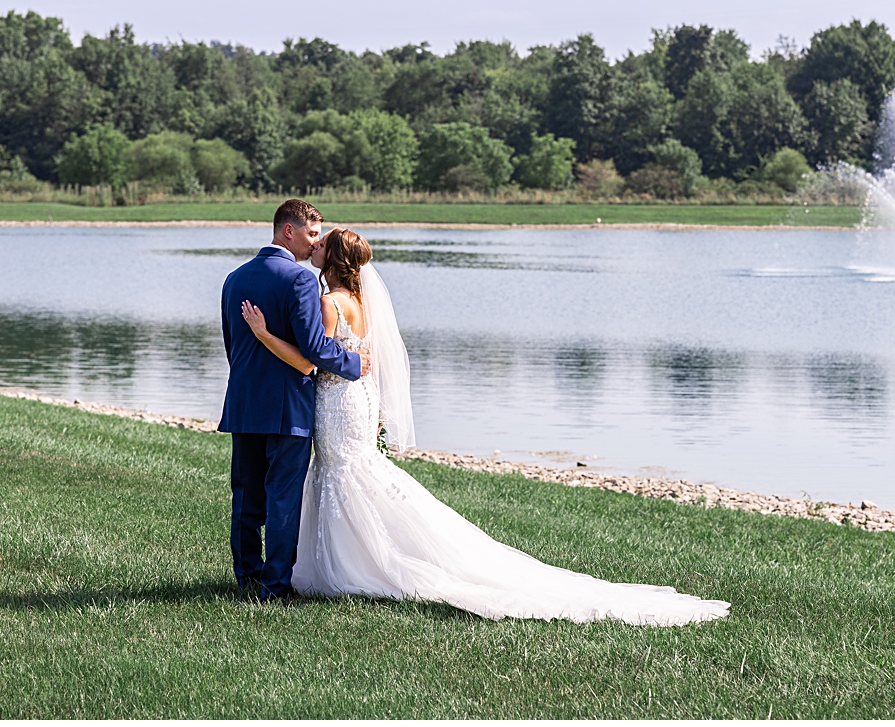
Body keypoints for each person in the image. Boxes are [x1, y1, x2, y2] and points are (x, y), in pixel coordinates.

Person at [240, 226, 730, 625]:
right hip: (358, 401)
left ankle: (355, 566)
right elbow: (355, 353)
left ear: (335, 259)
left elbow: (314, 362)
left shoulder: (330, 302)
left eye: (321, 243)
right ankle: (341, 560)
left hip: (337, 399)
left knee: (343, 475)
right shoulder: (363, 302)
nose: (314, 246)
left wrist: (264, 335)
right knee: (353, 475)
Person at [218, 199, 368, 601]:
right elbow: (315, 347)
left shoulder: (234, 278)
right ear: (289, 231)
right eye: (312, 234)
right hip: (288, 408)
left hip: (244, 404)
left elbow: (232, 346)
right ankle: (275, 587)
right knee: (283, 499)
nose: (315, 243)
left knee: (247, 497)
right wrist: (354, 363)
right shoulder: (300, 280)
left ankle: (246, 578)